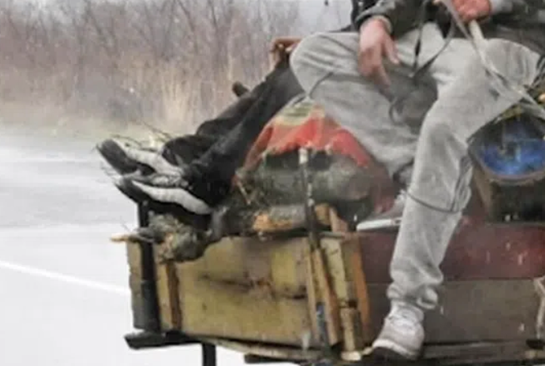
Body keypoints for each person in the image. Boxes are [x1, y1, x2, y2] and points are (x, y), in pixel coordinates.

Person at [290, 0, 545, 360]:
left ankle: (408, 307)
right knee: (312, 56)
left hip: (515, 42)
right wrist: (379, 20)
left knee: (442, 129)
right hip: (432, 38)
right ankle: (418, 169)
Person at [101, 2, 376, 216]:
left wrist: (323, 48)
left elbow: (394, 22)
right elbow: (365, 24)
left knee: (295, 74)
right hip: (374, 58)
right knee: (285, 72)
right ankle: (183, 157)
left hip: (395, 80)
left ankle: (207, 182)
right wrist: (315, 44)